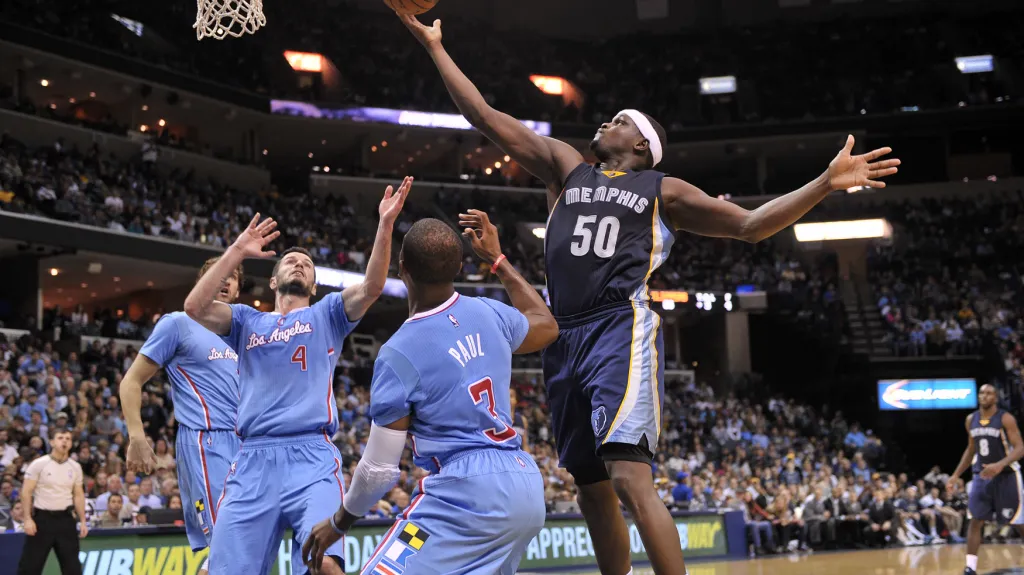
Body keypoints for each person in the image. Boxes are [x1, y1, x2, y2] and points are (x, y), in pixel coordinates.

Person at [400, 12, 901, 575]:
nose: (604, 122)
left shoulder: (664, 189)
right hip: (563, 336)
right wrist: (435, 47)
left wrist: (824, 183)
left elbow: (751, 225)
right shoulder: (567, 168)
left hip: (619, 328)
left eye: (618, 121)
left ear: (641, 143)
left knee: (630, 478)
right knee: (591, 489)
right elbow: (485, 117)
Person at [303, 215, 556, 574]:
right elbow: (546, 325)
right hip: (524, 483)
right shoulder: (489, 312)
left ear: (402, 267)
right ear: (460, 266)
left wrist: (339, 522)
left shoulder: (398, 353)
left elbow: (378, 470)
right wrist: (498, 260)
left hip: (463, 495)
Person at [184, 177, 412, 575]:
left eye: (306, 264)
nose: (300, 263)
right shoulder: (246, 320)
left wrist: (385, 224)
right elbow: (194, 307)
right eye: (290, 260)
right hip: (253, 459)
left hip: (311, 455)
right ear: (273, 281)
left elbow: (373, 286)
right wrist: (237, 250)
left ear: (314, 285)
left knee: (324, 564)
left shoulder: (327, 314)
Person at [121, 256, 244, 575]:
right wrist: (137, 436)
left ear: (238, 290)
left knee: (242, 544)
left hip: (245, 443)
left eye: (233, 276)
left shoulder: (243, 332)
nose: (225, 280)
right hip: (205, 440)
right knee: (228, 541)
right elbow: (131, 381)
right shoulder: (177, 323)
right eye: (218, 274)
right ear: (202, 283)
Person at [948, 383, 1024, 575]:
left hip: (1007, 475)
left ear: (995, 398)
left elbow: (1020, 448)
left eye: (989, 393)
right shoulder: (971, 419)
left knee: (1017, 521)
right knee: (976, 519)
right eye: (982, 393)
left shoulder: (1005, 418)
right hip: (981, 476)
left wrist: (1000, 465)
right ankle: (970, 567)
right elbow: (970, 449)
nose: (984, 396)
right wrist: (956, 475)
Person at [16, 429, 88, 575]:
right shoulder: (39, 464)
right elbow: (26, 492)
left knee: (73, 568)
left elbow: (78, 495)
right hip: (42, 519)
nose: (64, 441)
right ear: (52, 442)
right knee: (30, 567)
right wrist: (27, 519)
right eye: (60, 438)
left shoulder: (75, 467)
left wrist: (83, 520)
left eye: (68, 438)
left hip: (66, 519)